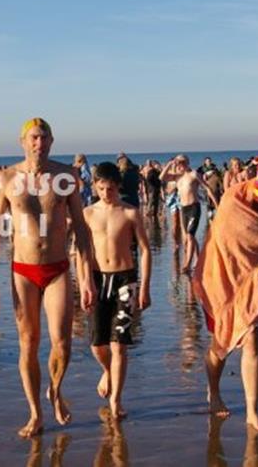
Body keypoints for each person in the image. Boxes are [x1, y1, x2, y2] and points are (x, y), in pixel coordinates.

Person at [0, 118, 96, 438]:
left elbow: (82, 229)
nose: (39, 143)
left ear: (52, 141)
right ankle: (35, 414)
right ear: (22, 141)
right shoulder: (6, 178)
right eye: (34, 138)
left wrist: (86, 278)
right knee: (28, 343)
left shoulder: (66, 176)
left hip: (58, 267)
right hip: (23, 270)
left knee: (62, 342)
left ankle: (55, 390)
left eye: (45, 138)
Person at [192, 149, 258, 431]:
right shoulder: (233, 201)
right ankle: (214, 392)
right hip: (221, 278)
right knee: (220, 343)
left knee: (251, 339)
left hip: (255, 278)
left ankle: (252, 410)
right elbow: (223, 242)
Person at [83, 162, 151, 420]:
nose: (106, 193)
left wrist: (144, 286)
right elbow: (82, 252)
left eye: (110, 189)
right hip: (98, 279)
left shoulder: (131, 212)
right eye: (101, 188)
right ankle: (108, 371)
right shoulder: (88, 213)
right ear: (95, 187)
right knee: (97, 344)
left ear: (118, 186)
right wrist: (84, 282)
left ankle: (116, 400)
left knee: (119, 345)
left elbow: (144, 250)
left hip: (125, 280)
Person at [160, 155, 219, 274]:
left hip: (194, 208)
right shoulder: (177, 177)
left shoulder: (193, 174)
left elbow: (207, 188)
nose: (179, 165)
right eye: (178, 163)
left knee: (190, 236)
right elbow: (161, 177)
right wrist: (170, 164)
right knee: (187, 237)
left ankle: (187, 264)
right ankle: (197, 260)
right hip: (183, 209)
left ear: (187, 163)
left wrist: (217, 205)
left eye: (181, 163)